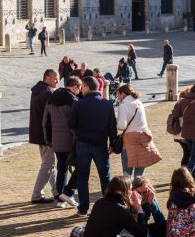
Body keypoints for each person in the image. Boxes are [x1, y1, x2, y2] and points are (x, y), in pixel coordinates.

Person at [79, 175, 158, 237]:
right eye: (131, 189)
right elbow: (143, 234)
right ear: (126, 191)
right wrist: (139, 209)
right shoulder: (120, 209)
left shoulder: (99, 203)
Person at [69, 76, 117, 216]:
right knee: (105, 176)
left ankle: (83, 208)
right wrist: (112, 143)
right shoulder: (107, 104)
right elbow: (112, 126)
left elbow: (71, 124)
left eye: (82, 87)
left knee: (83, 177)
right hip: (100, 144)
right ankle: (108, 206)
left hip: (83, 144)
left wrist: (78, 134)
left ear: (88, 87)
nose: (81, 89)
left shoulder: (79, 104)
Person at [43, 75, 81, 209]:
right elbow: (76, 123)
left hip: (56, 141)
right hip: (70, 141)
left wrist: (48, 140)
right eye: (79, 88)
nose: (79, 91)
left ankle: (60, 198)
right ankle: (67, 193)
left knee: (62, 168)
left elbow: (45, 121)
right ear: (75, 86)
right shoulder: (73, 100)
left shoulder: (51, 98)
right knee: (79, 167)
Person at [116, 84, 161, 178]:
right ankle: (139, 191)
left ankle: (128, 191)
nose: (118, 97)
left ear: (123, 94)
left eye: (118, 94)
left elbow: (121, 126)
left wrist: (115, 121)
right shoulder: (139, 103)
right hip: (143, 139)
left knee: (127, 174)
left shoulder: (123, 106)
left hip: (129, 140)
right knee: (139, 175)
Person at [29, 69, 59, 204]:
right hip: (47, 136)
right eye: (55, 78)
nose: (57, 81)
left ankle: (58, 191)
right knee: (48, 164)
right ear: (47, 78)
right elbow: (51, 117)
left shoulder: (37, 90)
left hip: (39, 134)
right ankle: (37, 194)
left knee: (50, 164)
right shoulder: (48, 93)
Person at [171, 83, 195, 183]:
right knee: (194, 157)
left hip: (186, 133)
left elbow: (175, 115)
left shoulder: (182, 101)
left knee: (193, 156)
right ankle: (185, 178)